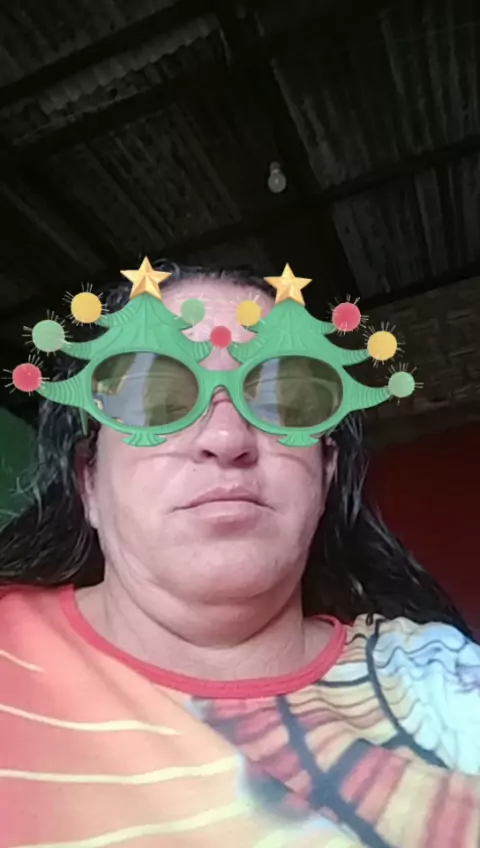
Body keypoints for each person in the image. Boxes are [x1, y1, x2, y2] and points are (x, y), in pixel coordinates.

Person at [0, 259, 478, 848]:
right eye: (157, 396)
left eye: (282, 398)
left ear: (325, 475)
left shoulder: (440, 684)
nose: (226, 439)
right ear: (88, 482)